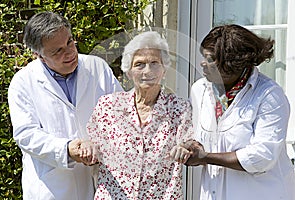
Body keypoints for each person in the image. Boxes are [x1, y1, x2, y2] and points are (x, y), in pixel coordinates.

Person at [170, 24, 295, 200]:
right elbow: (201, 137)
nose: (202, 63)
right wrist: (191, 147)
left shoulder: (269, 95)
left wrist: (206, 157)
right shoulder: (199, 90)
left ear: (233, 64)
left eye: (210, 59)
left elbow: (263, 156)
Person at [7, 11, 123, 200]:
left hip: (101, 184)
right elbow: (26, 135)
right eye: (57, 51)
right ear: (39, 55)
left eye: (69, 42)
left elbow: (120, 115)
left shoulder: (97, 67)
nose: (69, 52)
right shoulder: (23, 83)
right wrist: (67, 149)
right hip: (52, 189)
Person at [85, 31, 194, 199]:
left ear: (164, 69)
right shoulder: (108, 106)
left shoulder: (179, 108)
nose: (147, 71)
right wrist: (88, 148)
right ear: (129, 72)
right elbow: (92, 148)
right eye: (139, 64)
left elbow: (191, 144)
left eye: (154, 63)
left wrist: (185, 149)